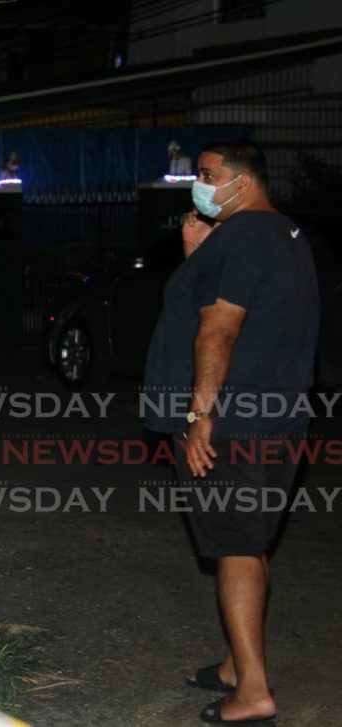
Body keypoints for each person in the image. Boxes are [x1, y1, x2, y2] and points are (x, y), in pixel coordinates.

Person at [142, 139, 318, 725]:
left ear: (244, 181)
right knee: (253, 538)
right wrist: (199, 257)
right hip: (278, 416)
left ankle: (253, 692)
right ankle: (233, 666)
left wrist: (199, 419)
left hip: (235, 423)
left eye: (209, 174)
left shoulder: (242, 238)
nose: (199, 182)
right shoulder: (283, 233)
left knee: (236, 547)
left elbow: (217, 332)